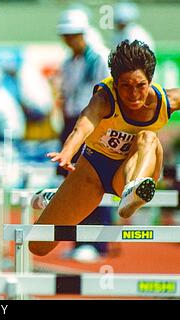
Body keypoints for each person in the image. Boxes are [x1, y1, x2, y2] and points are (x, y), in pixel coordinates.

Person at [29, 39, 180, 257]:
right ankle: (56, 197)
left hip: (132, 172)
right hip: (93, 171)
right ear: (116, 83)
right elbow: (82, 126)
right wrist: (67, 153)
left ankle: (133, 191)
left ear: (150, 80)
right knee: (38, 246)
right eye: (126, 86)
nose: (134, 94)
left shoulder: (166, 101)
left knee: (148, 138)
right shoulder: (104, 98)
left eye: (140, 85)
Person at [32, 8, 112, 261]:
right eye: (65, 35)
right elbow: (65, 96)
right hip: (71, 125)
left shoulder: (99, 59)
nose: (68, 39)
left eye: (72, 34)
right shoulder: (69, 62)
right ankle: (79, 240)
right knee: (71, 184)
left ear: (82, 33)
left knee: (94, 182)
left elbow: (106, 98)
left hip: (93, 125)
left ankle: (97, 244)